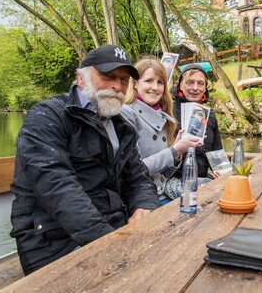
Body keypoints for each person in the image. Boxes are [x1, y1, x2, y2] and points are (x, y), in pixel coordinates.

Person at [10, 44, 159, 275]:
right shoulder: (46, 117)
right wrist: (108, 241)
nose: (117, 86)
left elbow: (139, 178)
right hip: (55, 241)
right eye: (107, 76)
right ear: (81, 78)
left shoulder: (121, 127)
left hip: (113, 228)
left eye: (124, 80)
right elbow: (58, 188)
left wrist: (145, 207)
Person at [121, 57, 202, 205]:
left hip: (163, 191)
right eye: (149, 81)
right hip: (141, 198)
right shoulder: (126, 113)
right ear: (135, 83)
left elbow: (163, 175)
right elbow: (134, 170)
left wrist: (177, 153)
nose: (155, 87)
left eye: (160, 82)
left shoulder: (163, 115)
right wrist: (173, 150)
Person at [171, 63, 222, 178]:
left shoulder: (210, 116)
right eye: (190, 82)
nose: (195, 88)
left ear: (205, 88)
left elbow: (216, 152)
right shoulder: (168, 111)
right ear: (181, 85)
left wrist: (221, 172)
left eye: (200, 83)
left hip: (202, 178)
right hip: (173, 178)